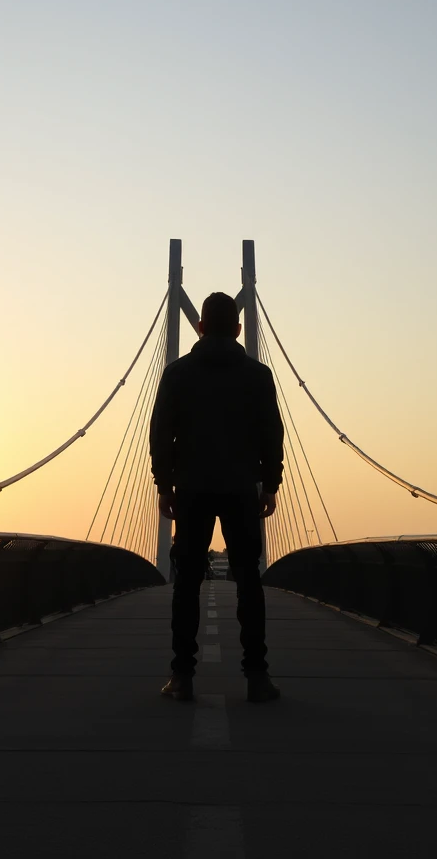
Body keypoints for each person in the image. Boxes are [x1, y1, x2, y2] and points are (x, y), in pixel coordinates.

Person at [149, 291, 285, 703]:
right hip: (241, 490)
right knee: (250, 585)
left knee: (186, 586)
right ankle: (257, 677)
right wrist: (270, 484)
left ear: (201, 327)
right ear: (240, 329)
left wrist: (164, 485)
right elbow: (272, 435)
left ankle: (182, 677)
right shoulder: (258, 376)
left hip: (191, 490)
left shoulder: (177, 374)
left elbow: (160, 434)